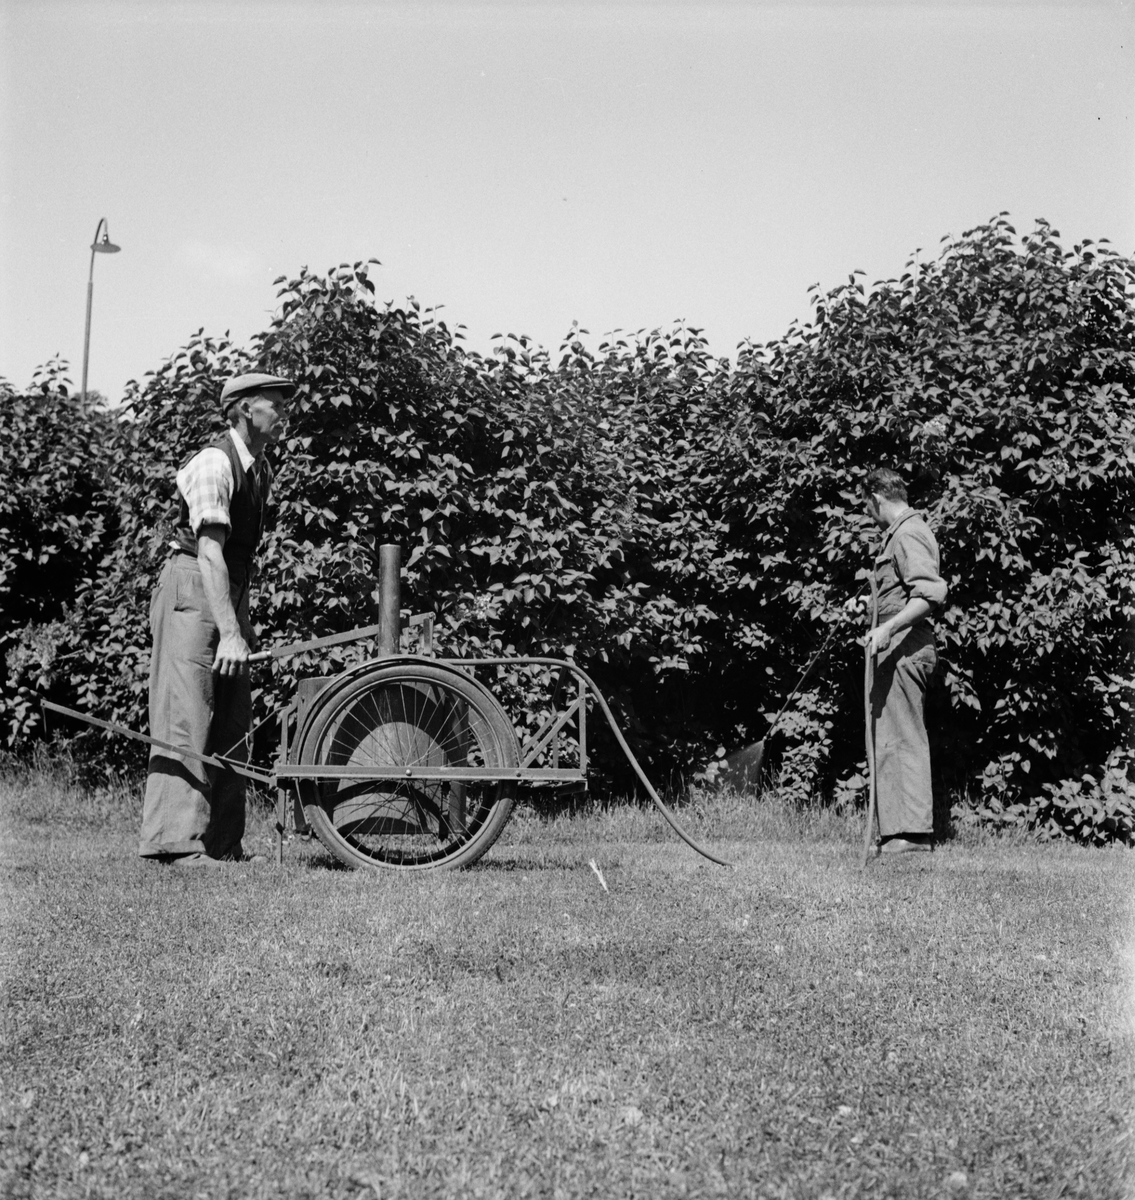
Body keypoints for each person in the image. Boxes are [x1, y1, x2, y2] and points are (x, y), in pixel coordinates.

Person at [138, 372, 294, 867]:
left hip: (226, 588)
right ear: (246, 409)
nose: (284, 411)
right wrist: (229, 630)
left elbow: (234, 558)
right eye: (276, 402)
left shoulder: (259, 467)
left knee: (232, 718)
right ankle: (176, 842)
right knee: (188, 712)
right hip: (192, 585)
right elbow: (209, 549)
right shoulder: (214, 462)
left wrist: (238, 623)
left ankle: (223, 843)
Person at [862, 467, 948, 854]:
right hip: (896, 649)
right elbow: (898, 593)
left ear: (877, 499)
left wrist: (888, 628)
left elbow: (929, 594)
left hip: (906, 649)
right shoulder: (900, 534)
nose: (867, 512)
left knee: (905, 735)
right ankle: (898, 832)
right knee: (892, 736)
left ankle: (912, 835)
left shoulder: (909, 532)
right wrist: (868, 607)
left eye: (866, 504)